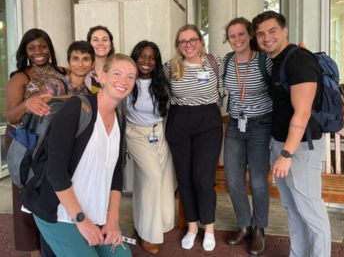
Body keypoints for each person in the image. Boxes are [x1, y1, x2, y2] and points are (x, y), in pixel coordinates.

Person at [22, 54, 136, 257]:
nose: (124, 81)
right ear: (102, 75)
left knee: (122, 256)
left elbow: (116, 174)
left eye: (130, 77)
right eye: (117, 73)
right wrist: (81, 220)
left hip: (95, 213)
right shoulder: (77, 108)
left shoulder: (119, 118)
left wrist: (113, 220)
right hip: (60, 213)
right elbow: (55, 172)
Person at [252, 11, 331, 257]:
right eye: (261, 33)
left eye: (272, 30)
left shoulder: (299, 60)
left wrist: (286, 153)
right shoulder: (278, 60)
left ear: (285, 31)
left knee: (311, 212)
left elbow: (303, 112)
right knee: (293, 208)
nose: (267, 37)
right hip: (282, 145)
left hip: (299, 148)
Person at [5, 28, 67, 257]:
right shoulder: (20, 76)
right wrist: (28, 103)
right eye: (32, 48)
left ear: (49, 47)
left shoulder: (64, 72)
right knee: (26, 197)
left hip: (54, 143)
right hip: (25, 142)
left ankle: (56, 241)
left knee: (53, 192)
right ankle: (33, 249)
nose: (38, 52)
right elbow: (10, 116)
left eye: (42, 46)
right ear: (25, 51)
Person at [164, 24, 223, 252]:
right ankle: (191, 227)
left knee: (203, 178)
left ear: (200, 41)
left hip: (208, 121)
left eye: (192, 40)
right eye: (183, 41)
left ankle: (208, 228)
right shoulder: (170, 67)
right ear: (178, 45)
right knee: (185, 178)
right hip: (179, 121)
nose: (188, 45)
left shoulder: (214, 62)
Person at [222, 17, 273, 256]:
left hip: (261, 125)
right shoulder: (227, 61)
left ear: (250, 35)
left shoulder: (264, 60)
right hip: (234, 125)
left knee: (259, 182)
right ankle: (244, 225)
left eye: (241, 34)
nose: (237, 40)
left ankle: (259, 229)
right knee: (233, 180)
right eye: (232, 36)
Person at [126, 40, 175, 254]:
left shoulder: (162, 81)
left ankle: (152, 223)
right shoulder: (127, 80)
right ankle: (149, 234)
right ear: (135, 58)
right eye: (142, 56)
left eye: (151, 57)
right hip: (135, 133)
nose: (146, 61)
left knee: (161, 180)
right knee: (153, 176)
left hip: (159, 132)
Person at [85, 25, 115, 93]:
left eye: (105, 39)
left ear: (110, 45)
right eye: (95, 40)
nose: (100, 43)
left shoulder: (118, 70)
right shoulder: (82, 70)